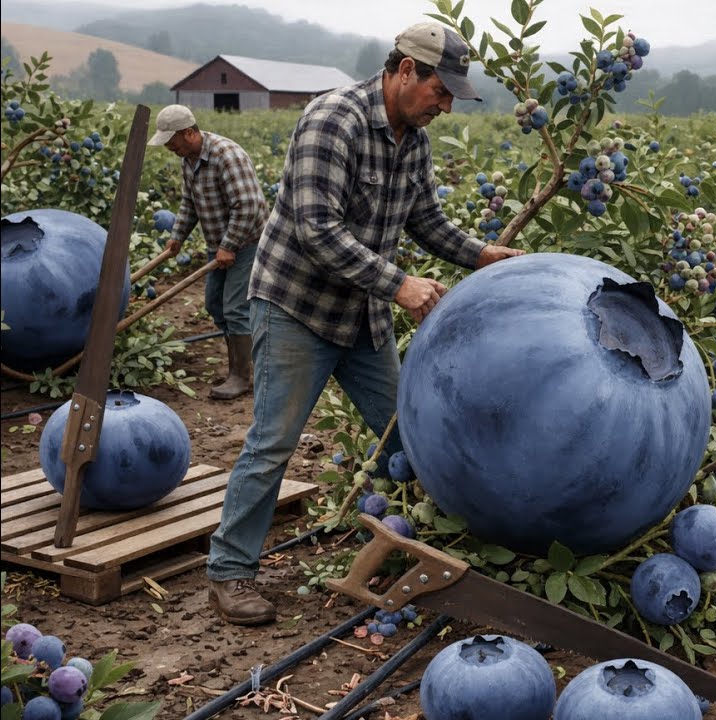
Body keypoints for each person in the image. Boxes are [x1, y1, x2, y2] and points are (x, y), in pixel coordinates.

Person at [206, 19, 524, 625]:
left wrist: (482, 254)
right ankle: (229, 573)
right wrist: (399, 283)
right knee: (273, 443)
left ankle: (422, 543)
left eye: (453, 95)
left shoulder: (415, 141)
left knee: (407, 430)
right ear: (407, 70)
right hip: (296, 307)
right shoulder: (334, 121)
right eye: (441, 91)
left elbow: (425, 221)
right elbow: (315, 229)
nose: (446, 105)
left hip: (361, 314)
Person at [148, 104, 267, 400]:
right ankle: (238, 365)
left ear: (189, 133)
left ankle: (242, 377)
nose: (169, 148)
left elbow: (248, 206)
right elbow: (190, 203)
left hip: (248, 243)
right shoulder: (188, 159)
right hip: (219, 245)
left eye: (171, 141)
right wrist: (177, 238)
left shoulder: (227, 156)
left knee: (236, 308)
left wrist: (229, 245)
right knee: (215, 305)